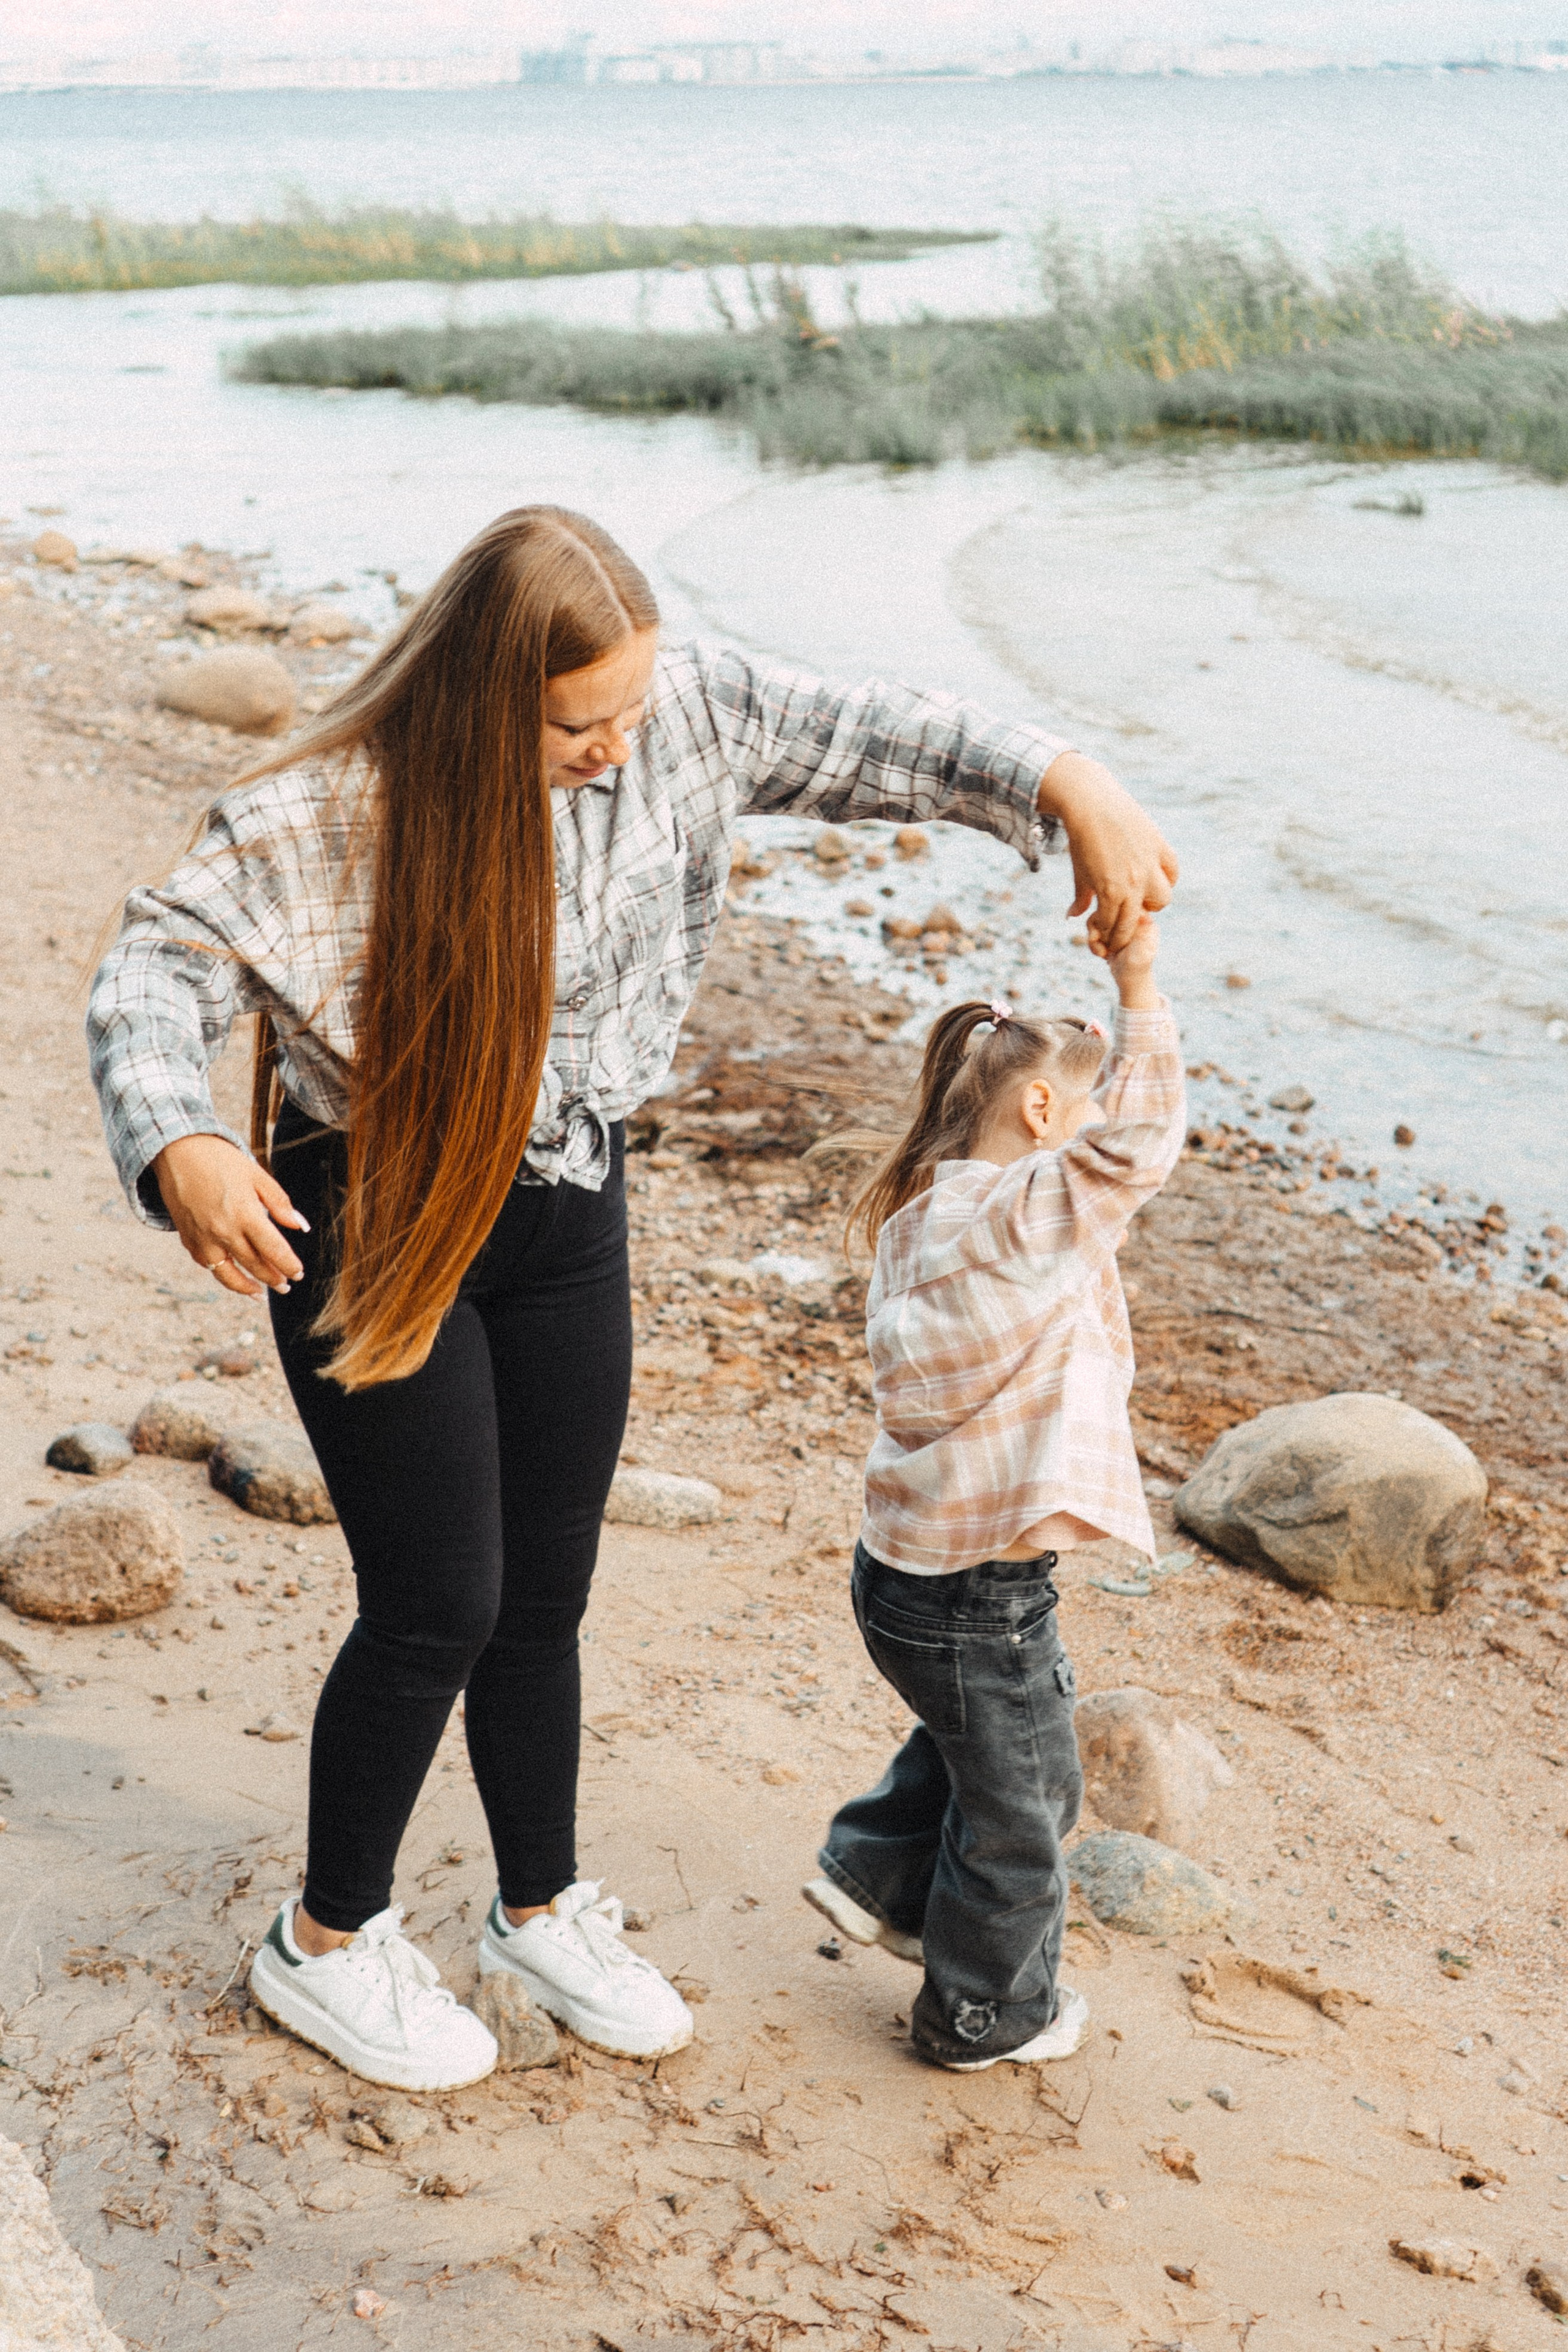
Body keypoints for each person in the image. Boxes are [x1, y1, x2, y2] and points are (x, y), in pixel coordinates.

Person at [86, 504, 1177, 2094]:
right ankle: (325, 1943)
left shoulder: (681, 717)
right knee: (436, 1604)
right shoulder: (336, 806)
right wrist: (181, 1138)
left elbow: (881, 737)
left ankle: (538, 1908)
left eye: (626, 713)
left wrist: (1066, 779)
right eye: (574, 723)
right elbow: (155, 967)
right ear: (480, 703)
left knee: (547, 1596)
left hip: (567, 1203)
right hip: (379, 1213)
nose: (612, 747)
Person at [803, 916, 1185, 2070]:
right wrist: (1138, 980)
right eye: (1078, 1115)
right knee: (1029, 1801)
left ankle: (870, 1876)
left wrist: (1088, 1064)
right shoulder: (1022, 1216)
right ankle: (985, 2014)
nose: (1092, 1142)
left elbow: (1103, 1137)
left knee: (986, 1735)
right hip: (976, 1588)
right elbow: (1147, 1142)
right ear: (1038, 1120)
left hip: (907, 1570)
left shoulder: (931, 1214)